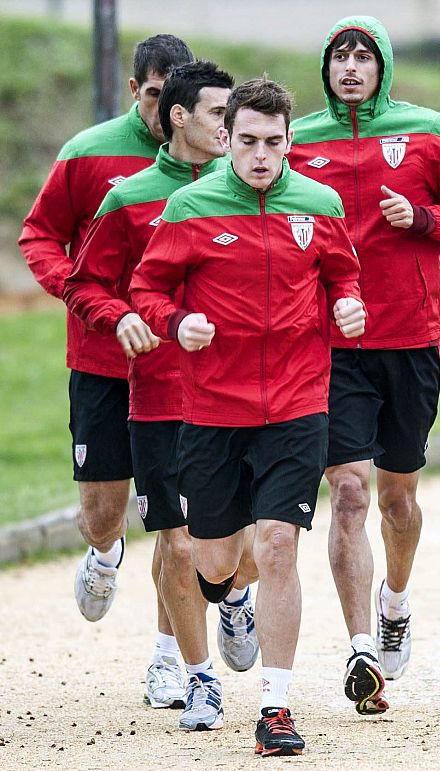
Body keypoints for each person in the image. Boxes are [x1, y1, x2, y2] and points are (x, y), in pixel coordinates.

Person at [130, 76, 366, 757]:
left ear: (290, 141)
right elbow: (146, 287)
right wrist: (178, 322)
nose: (262, 155)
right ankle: (227, 597)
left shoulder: (318, 204)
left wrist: (347, 306)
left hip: (297, 402)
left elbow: (342, 276)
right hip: (210, 410)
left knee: (279, 545)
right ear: (225, 139)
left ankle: (275, 704)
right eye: (248, 142)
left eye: (274, 143)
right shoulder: (189, 206)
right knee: (215, 558)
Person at [290, 15, 440, 710]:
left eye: (363, 55)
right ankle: (360, 650)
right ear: (325, 67)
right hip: (334, 345)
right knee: (347, 491)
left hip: (409, 341)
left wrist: (424, 220)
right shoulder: (299, 141)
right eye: (339, 54)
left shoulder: (427, 130)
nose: (350, 65)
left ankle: (395, 602)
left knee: (399, 497)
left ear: (383, 66)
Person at [63, 60, 262, 730]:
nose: (233, 129)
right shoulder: (130, 196)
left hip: (252, 397)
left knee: (257, 544)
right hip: (162, 397)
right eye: (218, 114)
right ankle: (184, 668)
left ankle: (232, 595)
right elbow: (85, 281)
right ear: (179, 117)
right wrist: (117, 315)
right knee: (175, 542)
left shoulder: (260, 189)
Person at [19, 33, 194, 710]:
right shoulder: (89, 153)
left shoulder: (212, 158)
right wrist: (83, 298)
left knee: (176, 523)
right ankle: (103, 553)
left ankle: (169, 657)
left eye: (180, 100)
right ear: (135, 90)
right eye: (156, 97)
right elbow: (39, 234)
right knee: (102, 513)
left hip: (178, 371)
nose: (169, 113)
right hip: (100, 361)